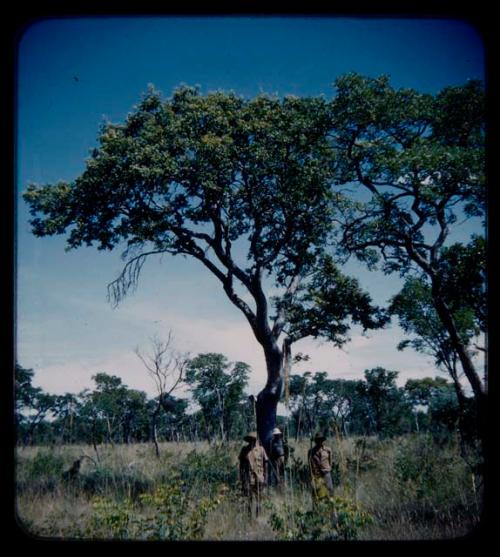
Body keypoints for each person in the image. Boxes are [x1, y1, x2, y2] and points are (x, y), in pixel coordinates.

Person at [238, 432, 269, 517]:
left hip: (259, 478)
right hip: (248, 478)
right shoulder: (244, 450)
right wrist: (241, 479)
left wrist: (266, 478)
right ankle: (249, 516)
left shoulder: (261, 450)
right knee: (249, 498)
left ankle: (258, 516)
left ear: (256, 440)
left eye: (254, 440)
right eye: (250, 440)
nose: (252, 441)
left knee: (259, 498)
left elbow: (265, 464)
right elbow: (241, 466)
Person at [308, 432, 334, 501]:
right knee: (316, 494)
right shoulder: (311, 452)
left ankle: (331, 510)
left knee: (329, 492)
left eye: (321, 440)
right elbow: (309, 465)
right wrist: (312, 476)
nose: (320, 442)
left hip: (326, 474)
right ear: (316, 441)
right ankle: (316, 510)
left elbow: (330, 461)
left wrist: (329, 468)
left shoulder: (328, 450)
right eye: (318, 440)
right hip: (317, 475)